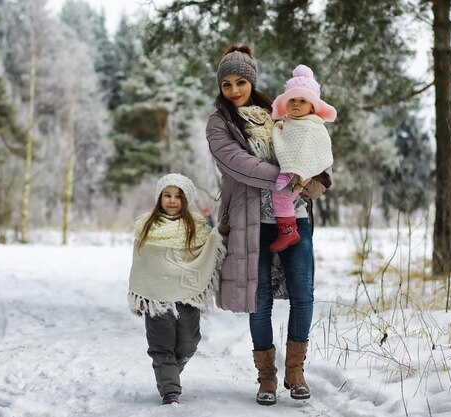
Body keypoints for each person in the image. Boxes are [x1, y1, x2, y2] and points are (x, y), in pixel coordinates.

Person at [205, 45, 332, 405]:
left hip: (298, 218)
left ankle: (296, 371)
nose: (234, 91)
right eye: (226, 84)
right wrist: (288, 178)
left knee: (303, 294)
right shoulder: (220, 124)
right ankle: (267, 378)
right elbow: (238, 164)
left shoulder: (280, 110)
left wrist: (316, 182)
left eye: (240, 82)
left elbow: (315, 145)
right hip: (251, 222)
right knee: (258, 301)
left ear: (252, 81)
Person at [128, 173, 225, 405]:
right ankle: (170, 391)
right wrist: (141, 294)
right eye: (167, 195)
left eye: (178, 197)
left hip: (187, 293)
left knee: (188, 342)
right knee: (161, 346)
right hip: (156, 297)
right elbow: (142, 264)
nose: (172, 201)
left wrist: (220, 231)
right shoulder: (146, 227)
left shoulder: (198, 228)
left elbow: (207, 253)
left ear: (186, 200)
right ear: (159, 198)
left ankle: (168, 373)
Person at [268, 64, 336, 252]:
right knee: (280, 197)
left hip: (305, 179)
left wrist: (299, 179)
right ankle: (287, 230)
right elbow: (284, 146)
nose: (296, 104)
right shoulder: (287, 123)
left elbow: (314, 153)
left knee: (281, 198)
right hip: (289, 178)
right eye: (292, 100)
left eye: (302, 101)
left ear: (312, 107)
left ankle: (287, 231)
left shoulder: (314, 126)